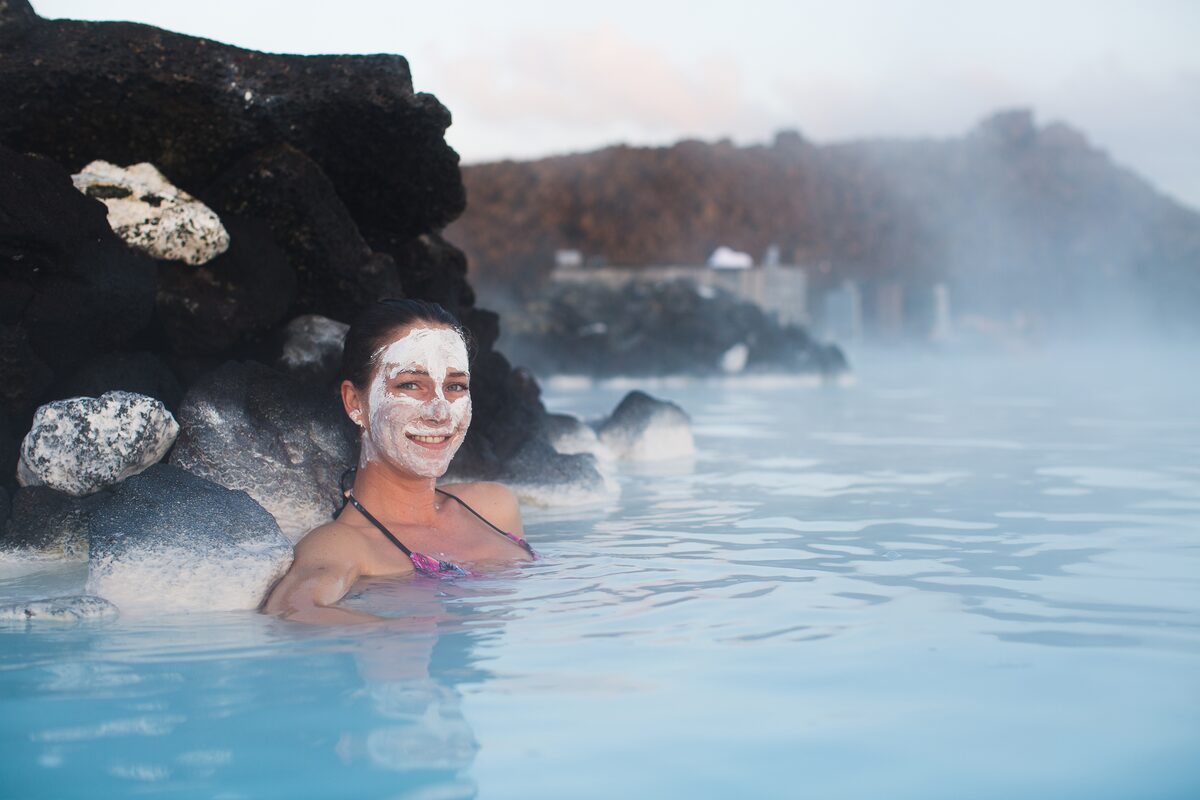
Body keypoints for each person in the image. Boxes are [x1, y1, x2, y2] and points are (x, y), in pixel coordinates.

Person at [264, 299, 533, 624]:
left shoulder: (495, 506)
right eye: (410, 385)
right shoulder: (345, 544)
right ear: (355, 403)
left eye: (455, 387)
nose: (440, 412)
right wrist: (397, 632)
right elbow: (292, 609)